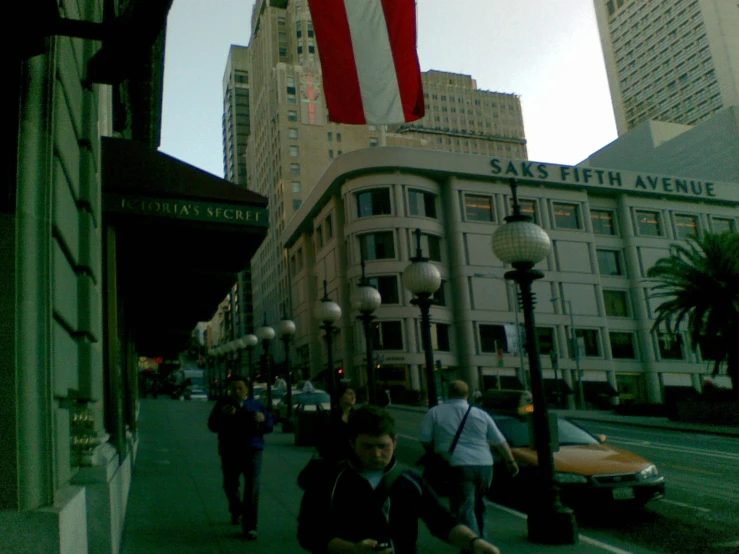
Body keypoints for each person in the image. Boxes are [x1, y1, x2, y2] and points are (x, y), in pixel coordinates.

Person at [298, 405, 504, 554]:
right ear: (352, 443)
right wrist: (351, 549)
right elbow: (308, 533)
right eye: (367, 446)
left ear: (394, 442)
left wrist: (475, 542)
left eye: (383, 446)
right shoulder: (328, 479)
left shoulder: (409, 480)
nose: (377, 454)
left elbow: (441, 521)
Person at [420, 380, 518, 541]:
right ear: (467, 394)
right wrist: (511, 462)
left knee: (464, 507)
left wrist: (436, 452)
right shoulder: (480, 414)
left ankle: (474, 545)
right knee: (480, 504)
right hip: (485, 464)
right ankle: (483, 539)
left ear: (449, 393)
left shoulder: (435, 412)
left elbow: (424, 438)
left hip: (457, 464)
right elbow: (500, 441)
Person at [208, 375, 274, 539]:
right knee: (230, 484)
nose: (236, 391)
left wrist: (263, 419)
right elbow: (212, 425)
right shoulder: (223, 404)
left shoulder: (256, 405)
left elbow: (270, 425)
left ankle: (250, 526)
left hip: (252, 449)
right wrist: (223, 415)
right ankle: (236, 508)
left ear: (247, 389)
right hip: (230, 450)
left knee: (252, 487)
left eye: (240, 388)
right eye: (233, 388)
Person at [316, 383, 356, 466]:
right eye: (349, 394)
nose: (353, 397)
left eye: (354, 394)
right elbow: (321, 439)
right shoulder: (329, 415)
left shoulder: (358, 415)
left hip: (354, 458)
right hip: (334, 458)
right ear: (340, 396)